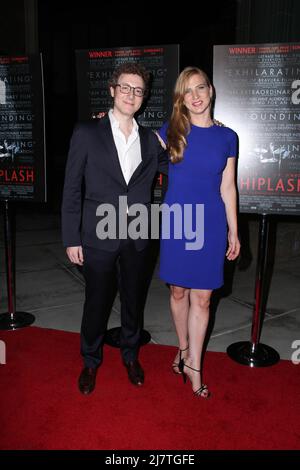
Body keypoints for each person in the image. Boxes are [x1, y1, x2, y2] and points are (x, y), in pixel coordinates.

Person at [62, 63, 168, 394]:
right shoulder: (86, 132)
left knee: (134, 301)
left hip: (138, 234)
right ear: (112, 90)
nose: (131, 94)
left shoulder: (151, 140)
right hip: (96, 235)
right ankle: (90, 361)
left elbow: (182, 161)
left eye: (138, 90)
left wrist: (206, 127)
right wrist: (71, 237)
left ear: (143, 97)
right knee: (96, 301)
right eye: (125, 87)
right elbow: (72, 189)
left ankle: (131, 355)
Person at [158, 66, 240, 398]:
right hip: (177, 221)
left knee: (203, 298)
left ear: (211, 91)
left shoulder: (227, 136)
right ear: (181, 98)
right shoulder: (170, 131)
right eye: (188, 91)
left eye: (201, 88)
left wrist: (235, 231)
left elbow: (228, 187)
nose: (195, 95)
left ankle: (194, 364)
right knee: (178, 292)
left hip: (210, 223)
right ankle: (182, 347)